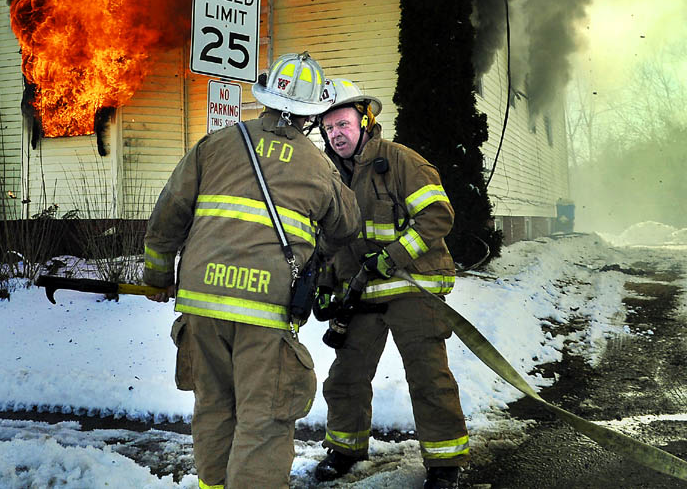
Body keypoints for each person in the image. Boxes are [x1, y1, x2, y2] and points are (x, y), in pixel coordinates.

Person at [142, 53, 361, 489]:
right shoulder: (318, 167)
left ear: (265, 98)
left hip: (201, 308)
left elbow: (168, 213)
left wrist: (158, 276)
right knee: (264, 418)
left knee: (215, 406)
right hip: (265, 311)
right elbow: (347, 225)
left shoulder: (215, 144)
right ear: (310, 114)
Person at [313, 78, 469, 489]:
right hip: (362, 296)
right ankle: (345, 450)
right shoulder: (330, 178)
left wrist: (393, 255)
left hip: (411, 289)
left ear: (365, 121)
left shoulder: (401, 161)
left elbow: (437, 216)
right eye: (328, 129)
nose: (336, 135)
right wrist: (328, 282)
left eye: (343, 124)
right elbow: (332, 241)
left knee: (428, 376)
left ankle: (445, 463)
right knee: (345, 376)